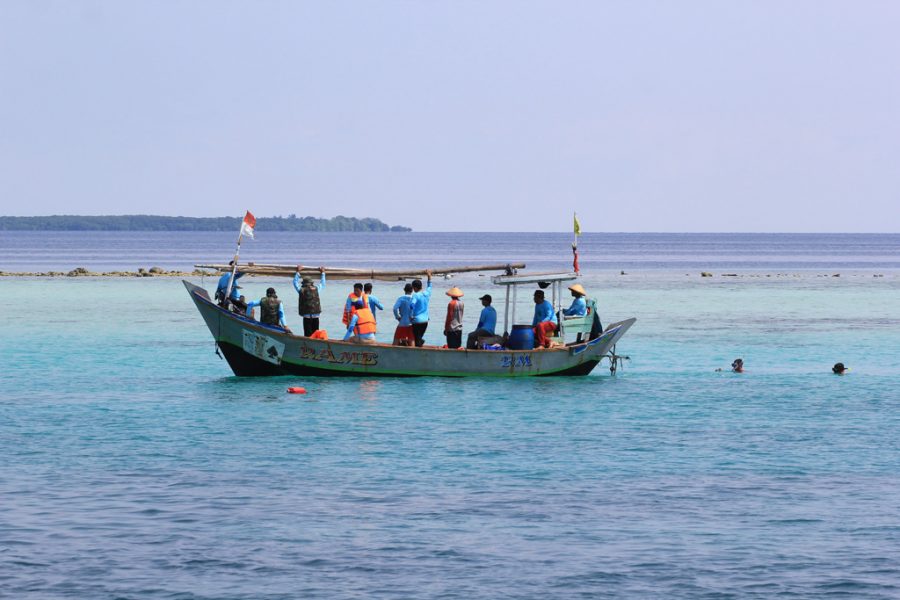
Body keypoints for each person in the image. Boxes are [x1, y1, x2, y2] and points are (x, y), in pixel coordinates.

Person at [293, 265, 326, 336]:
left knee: (307, 336)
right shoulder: (317, 289)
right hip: (316, 315)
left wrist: (298, 272)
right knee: (316, 335)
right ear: (311, 283)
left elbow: (295, 283)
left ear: (304, 284)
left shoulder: (301, 290)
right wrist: (323, 273)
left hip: (307, 316)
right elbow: (322, 284)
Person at [409, 270, 433, 347]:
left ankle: (418, 355)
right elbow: (429, 285)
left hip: (417, 321)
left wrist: (411, 315)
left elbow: (412, 305)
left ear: (414, 288)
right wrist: (429, 276)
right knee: (419, 338)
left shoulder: (416, 295)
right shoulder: (427, 293)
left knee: (417, 341)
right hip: (425, 321)